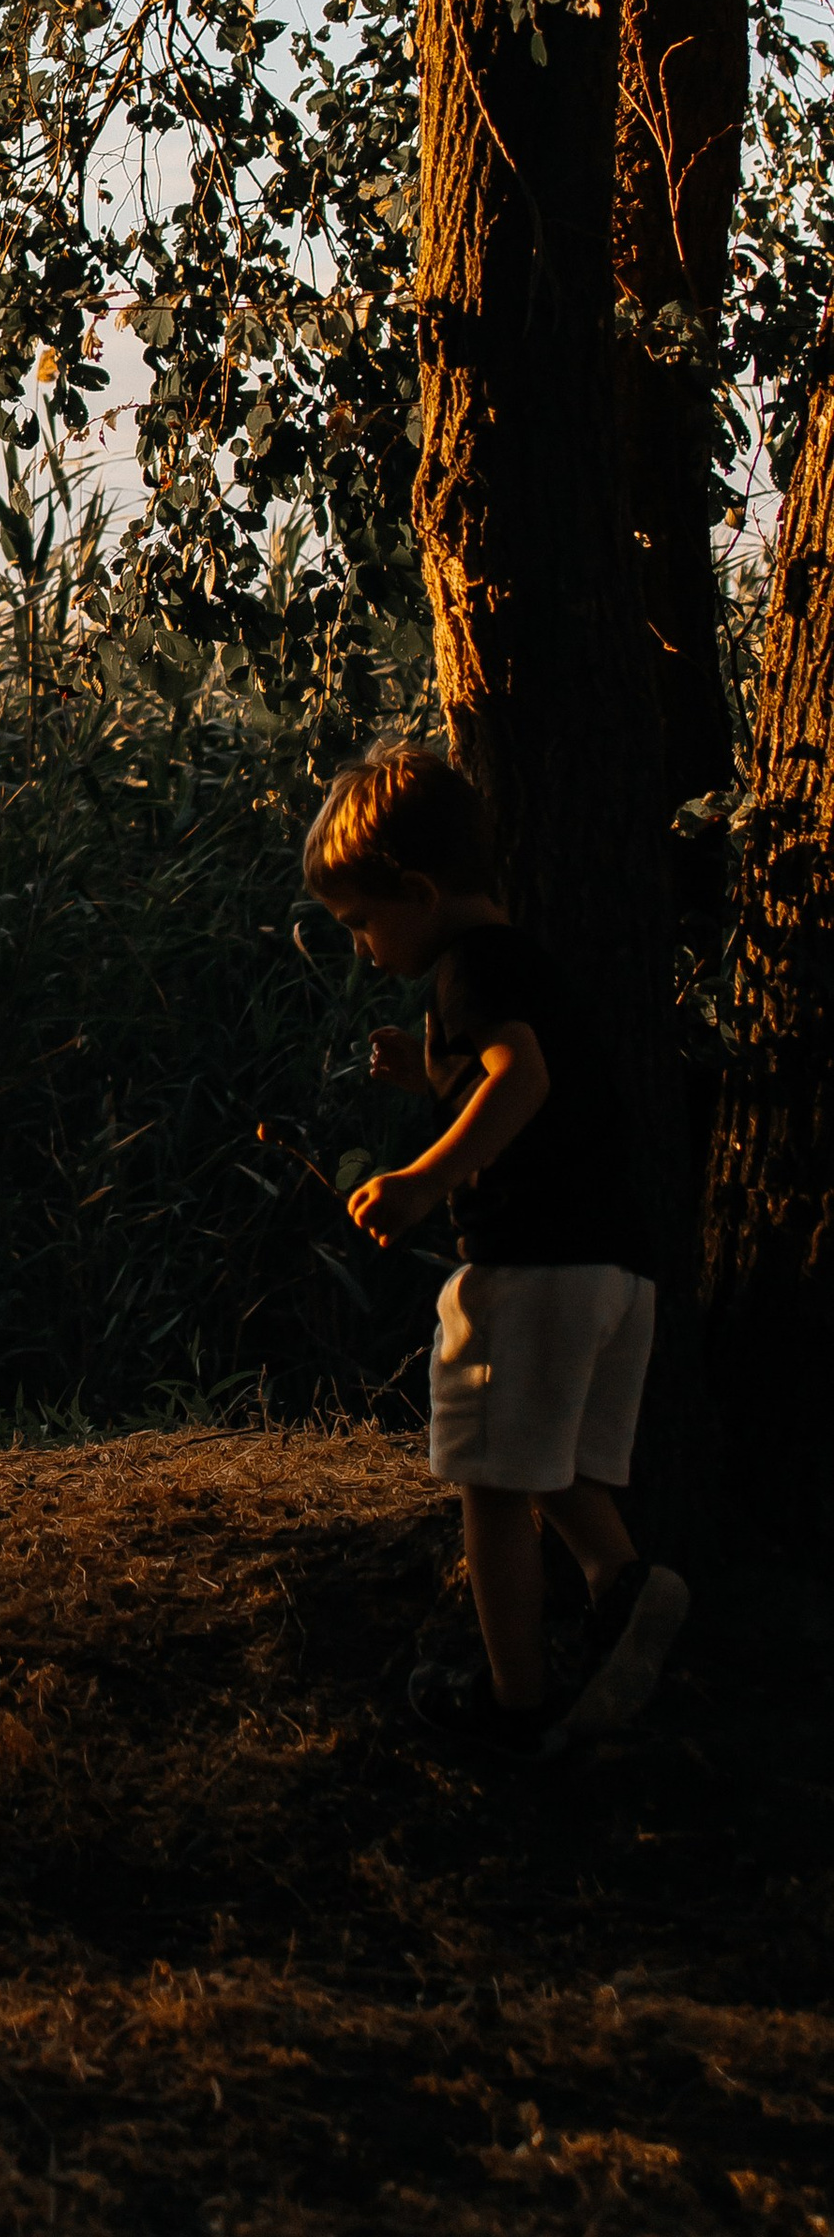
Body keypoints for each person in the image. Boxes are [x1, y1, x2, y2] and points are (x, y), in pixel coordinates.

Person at [305, 742, 689, 1763]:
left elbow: (518, 1085)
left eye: (359, 922)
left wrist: (426, 1177)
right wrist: (431, 1081)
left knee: (487, 1482)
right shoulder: (530, 966)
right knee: (547, 1456)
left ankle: (515, 1701)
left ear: (419, 893)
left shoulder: (467, 970)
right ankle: (622, 1587)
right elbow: (514, 1083)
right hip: (612, 1266)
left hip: (528, 1266)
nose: (360, 946)